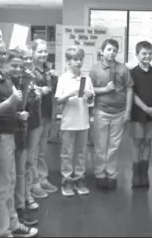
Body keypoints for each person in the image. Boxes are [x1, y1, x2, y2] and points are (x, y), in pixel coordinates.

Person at [0, 37, 38, 237]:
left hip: (10, 133)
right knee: (0, 187)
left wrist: (25, 85)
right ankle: (2, 231)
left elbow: (20, 104)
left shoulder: (3, 77)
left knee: (9, 183)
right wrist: (9, 103)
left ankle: (13, 224)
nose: (2, 56)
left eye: (4, 52)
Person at [89, 39, 134, 190]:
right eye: (109, 49)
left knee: (114, 146)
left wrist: (127, 112)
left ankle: (112, 173)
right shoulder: (95, 69)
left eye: (115, 50)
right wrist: (105, 90)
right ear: (102, 51)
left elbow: (129, 89)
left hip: (119, 113)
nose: (112, 52)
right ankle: (100, 173)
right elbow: (88, 90)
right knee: (101, 146)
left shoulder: (123, 69)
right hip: (101, 111)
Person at [55, 46, 95, 197]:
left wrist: (90, 96)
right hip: (68, 123)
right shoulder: (63, 79)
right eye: (75, 59)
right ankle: (66, 180)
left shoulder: (86, 79)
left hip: (83, 122)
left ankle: (79, 178)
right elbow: (59, 100)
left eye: (80, 59)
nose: (78, 62)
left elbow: (90, 101)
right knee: (67, 153)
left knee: (81, 153)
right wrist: (69, 94)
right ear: (68, 62)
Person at [29, 39, 58, 198]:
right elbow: (26, 90)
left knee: (42, 149)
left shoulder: (49, 69)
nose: (43, 54)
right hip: (36, 114)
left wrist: (55, 78)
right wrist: (40, 89)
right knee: (33, 150)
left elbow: (54, 91)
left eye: (45, 51)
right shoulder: (28, 70)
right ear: (32, 53)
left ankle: (42, 177)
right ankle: (34, 182)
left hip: (47, 113)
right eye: (39, 51)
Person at [129, 41, 152, 188]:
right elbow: (132, 94)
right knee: (137, 142)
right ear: (137, 55)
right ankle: (136, 174)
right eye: (144, 53)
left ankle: (144, 173)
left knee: (148, 142)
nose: (147, 56)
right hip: (138, 112)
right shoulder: (132, 73)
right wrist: (145, 108)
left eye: (149, 53)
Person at [16, 45, 42, 210]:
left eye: (28, 58)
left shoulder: (32, 77)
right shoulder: (15, 77)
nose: (26, 61)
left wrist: (37, 93)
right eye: (23, 58)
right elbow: (19, 104)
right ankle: (20, 199)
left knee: (30, 160)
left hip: (34, 121)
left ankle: (27, 194)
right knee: (21, 163)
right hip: (19, 124)